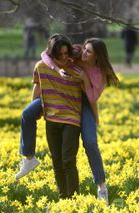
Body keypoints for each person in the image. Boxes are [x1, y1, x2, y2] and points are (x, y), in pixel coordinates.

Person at [16, 37, 119, 204]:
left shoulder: (100, 74)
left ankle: (101, 187)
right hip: (56, 95)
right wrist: (57, 70)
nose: (84, 53)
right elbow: (46, 54)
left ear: (97, 56)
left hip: (83, 101)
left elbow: (92, 99)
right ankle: (29, 158)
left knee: (90, 143)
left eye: (89, 51)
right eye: (84, 48)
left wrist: (85, 79)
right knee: (27, 114)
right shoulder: (75, 53)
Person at [32, 34, 83, 199]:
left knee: (68, 160)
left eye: (66, 53)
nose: (63, 57)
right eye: (59, 54)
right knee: (56, 161)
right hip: (51, 119)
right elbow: (37, 88)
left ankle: (74, 197)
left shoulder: (76, 70)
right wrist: (34, 110)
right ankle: (63, 197)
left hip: (71, 119)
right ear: (52, 54)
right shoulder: (41, 67)